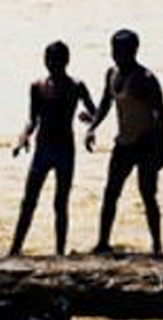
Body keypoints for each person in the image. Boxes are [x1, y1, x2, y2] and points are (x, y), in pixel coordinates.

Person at [83, 29, 163, 256]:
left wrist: (161, 150)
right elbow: (105, 104)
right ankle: (103, 242)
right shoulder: (112, 73)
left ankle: (157, 245)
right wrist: (92, 127)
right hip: (123, 143)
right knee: (111, 192)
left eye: (122, 51)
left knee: (148, 194)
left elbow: (162, 115)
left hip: (146, 143)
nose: (117, 55)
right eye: (114, 50)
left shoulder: (146, 79)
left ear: (133, 51)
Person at [9, 41, 97, 257]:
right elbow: (32, 119)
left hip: (65, 149)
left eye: (57, 60)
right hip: (43, 149)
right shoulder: (37, 86)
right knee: (28, 201)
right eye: (49, 59)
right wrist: (23, 137)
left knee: (61, 203)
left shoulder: (77, 86)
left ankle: (60, 252)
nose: (52, 64)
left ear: (66, 61)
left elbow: (96, 113)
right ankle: (15, 250)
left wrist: (90, 124)